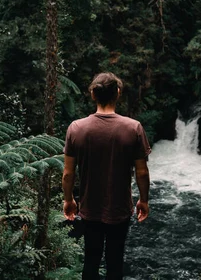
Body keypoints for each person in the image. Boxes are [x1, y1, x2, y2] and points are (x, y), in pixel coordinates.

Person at [62, 72, 151, 280]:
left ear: (93, 94)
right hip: (119, 208)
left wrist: (68, 199)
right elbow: (142, 171)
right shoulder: (133, 128)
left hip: (89, 207)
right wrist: (144, 200)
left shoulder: (76, 128)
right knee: (115, 263)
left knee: (90, 261)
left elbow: (68, 173)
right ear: (118, 93)